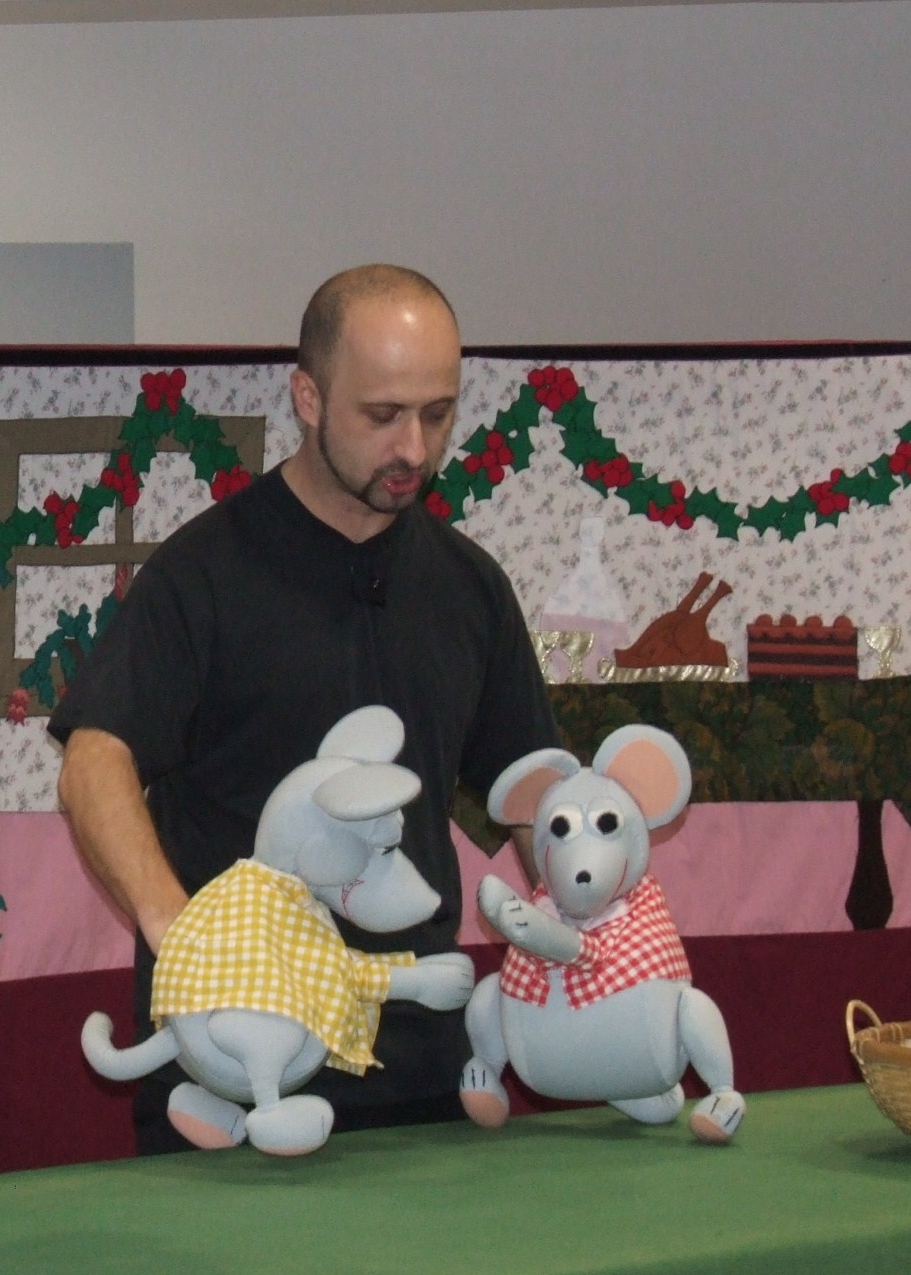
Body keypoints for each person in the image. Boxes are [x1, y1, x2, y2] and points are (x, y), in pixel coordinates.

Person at [49, 264, 560, 1153]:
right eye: (382, 414)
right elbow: (95, 762)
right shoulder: (203, 575)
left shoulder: (470, 586)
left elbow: (533, 791)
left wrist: (599, 922)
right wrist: (179, 929)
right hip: (232, 1079)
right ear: (309, 398)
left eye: (437, 414)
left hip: (420, 1074)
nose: (413, 449)